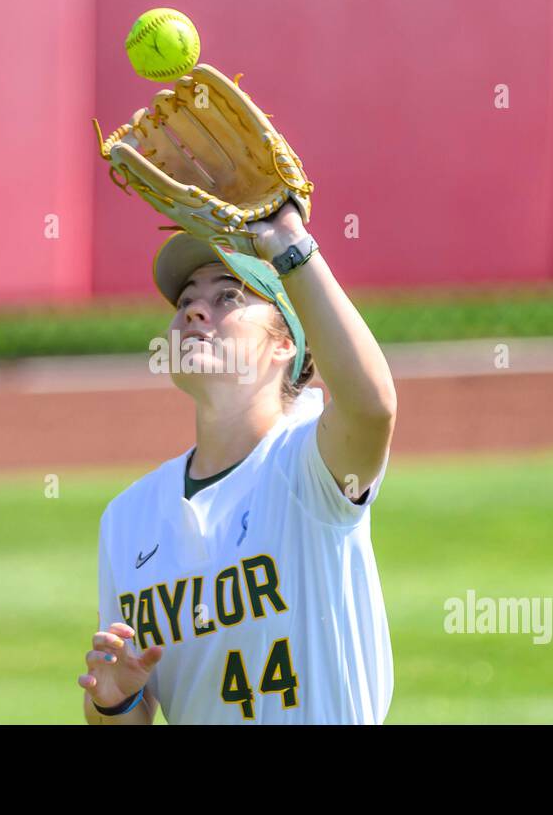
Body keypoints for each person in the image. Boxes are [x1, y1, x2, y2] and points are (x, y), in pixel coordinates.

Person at [78, 201, 397, 724]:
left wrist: (290, 241)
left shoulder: (310, 466)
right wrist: (113, 701)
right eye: (185, 300)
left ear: (286, 344)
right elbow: (126, 714)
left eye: (228, 296)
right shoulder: (127, 518)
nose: (194, 311)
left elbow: (371, 405)